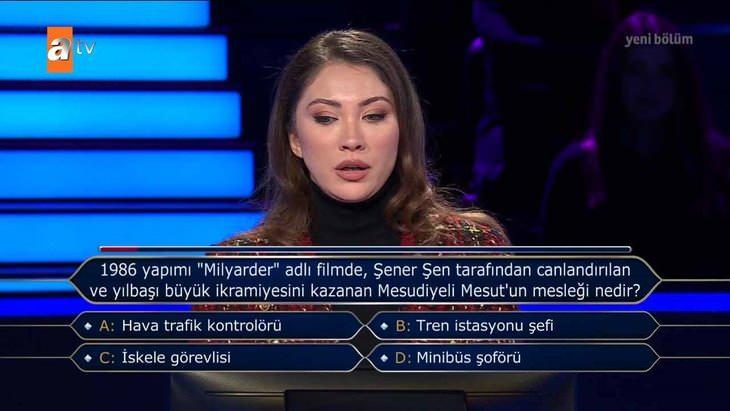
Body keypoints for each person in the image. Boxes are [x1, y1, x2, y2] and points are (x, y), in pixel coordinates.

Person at [194, 29, 513, 315]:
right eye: (326, 118)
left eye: (373, 116)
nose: (352, 140)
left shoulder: (471, 253)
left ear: (402, 130)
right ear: (295, 140)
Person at [541, 12, 729, 277]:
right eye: (636, 70)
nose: (649, 86)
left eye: (664, 72)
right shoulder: (575, 170)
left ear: (682, 81)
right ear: (616, 77)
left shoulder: (720, 165)